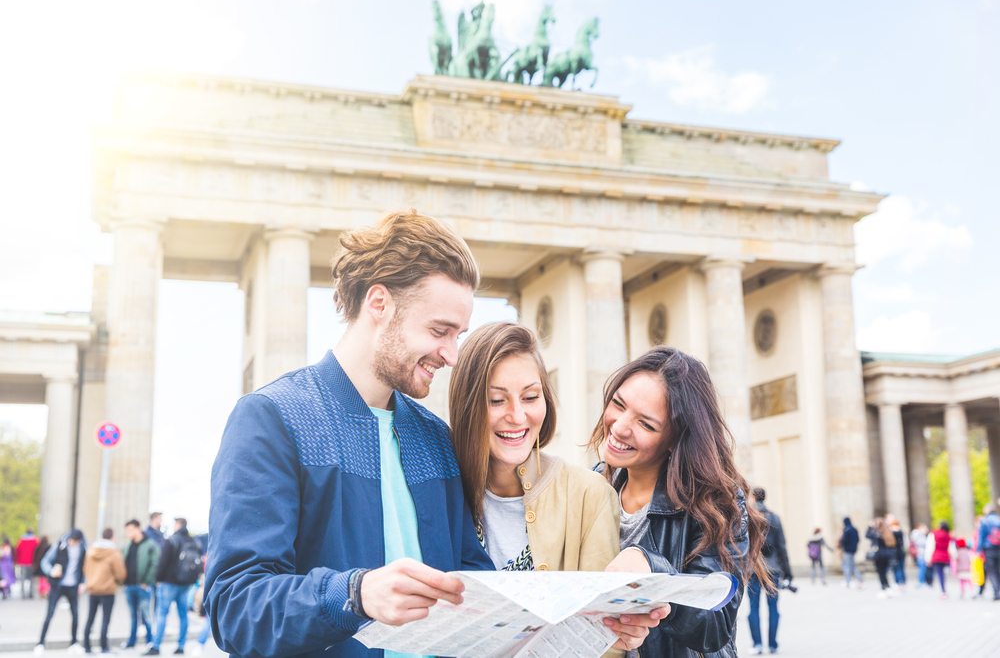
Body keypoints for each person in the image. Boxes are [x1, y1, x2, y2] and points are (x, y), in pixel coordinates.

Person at [206, 210, 664, 658]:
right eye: (439, 330)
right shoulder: (272, 420)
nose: (451, 355)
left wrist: (596, 624)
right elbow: (234, 607)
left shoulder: (434, 438)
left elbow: (477, 588)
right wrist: (356, 593)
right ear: (379, 303)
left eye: (458, 334)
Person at [589, 347, 771, 658]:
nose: (619, 426)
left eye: (646, 424)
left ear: (675, 440)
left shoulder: (715, 503)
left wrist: (653, 574)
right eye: (618, 404)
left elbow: (717, 623)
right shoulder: (594, 484)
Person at [448, 321, 620, 573]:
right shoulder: (440, 491)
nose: (517, 416)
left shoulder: (589, 495)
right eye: (496, 400)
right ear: (465, 405)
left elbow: (600, 609)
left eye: (530, 397)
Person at [146, 518, 203, 656]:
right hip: (186, 584)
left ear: (177, 525)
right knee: (183, 615)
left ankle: (156, 646)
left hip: (169, 583)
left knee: (162, 614)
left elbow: (163, 561)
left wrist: (158, 579)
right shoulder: (195, 542)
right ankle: (181, 646)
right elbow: (199, 563)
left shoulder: (172, 540)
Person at [743, 488, 789, 654]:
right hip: (773, 569)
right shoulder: (774, 517)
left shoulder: (747, 517)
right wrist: (788, 571)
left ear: (754, 498)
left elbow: (742, 545)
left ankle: (757, 645)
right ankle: (772, 644)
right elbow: (782, 546)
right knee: (773, 608)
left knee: (753, 608)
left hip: (753, 568)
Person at [36, 529, 87, 655]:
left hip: (73, 586)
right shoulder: (59, 546)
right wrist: (51, 571)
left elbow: (85, 567)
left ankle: (74, 643)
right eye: (70, 540)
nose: (72, 543)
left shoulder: (83, 549)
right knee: (49, 614)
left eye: (74, 541)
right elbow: (45, 561)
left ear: (79, 541)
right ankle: (40, 643)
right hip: (57, 585)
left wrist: (83, 582)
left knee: (75, 615)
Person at [82, 528, 126, 654]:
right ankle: (104, 647)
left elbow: (86, 569)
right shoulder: (114, 553)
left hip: (93, 589)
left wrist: (91, 581)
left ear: (101, 536)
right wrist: (116, 582)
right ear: (113, 537)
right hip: (107, 590)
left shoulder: (91, 551)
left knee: (90, 618)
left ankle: (87, 646)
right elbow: (119, 573)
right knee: (105, 619)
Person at [122, 519, 159, 650]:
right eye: (127, 531)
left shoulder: (150, 544)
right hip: (129, 586)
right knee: (133, 615)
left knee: (146, 614)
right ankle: (131, 641)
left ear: (138, 528)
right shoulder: (128, 546)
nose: (128, 533)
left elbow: (155, 564)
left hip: (143, 586)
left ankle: (150, 641)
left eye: (130, 530)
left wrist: (146, 582)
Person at [866, 517, 897, 598]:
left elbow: (867, 535)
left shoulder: (877, 533)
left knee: (881, 573)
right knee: (884, 573)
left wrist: (870, 527)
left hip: (879, 556)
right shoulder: (887, 532)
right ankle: (888, 587)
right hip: (887, 556)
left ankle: (884, 588)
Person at [977, 501, 1000, 600]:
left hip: (989, 548)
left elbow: (981, 536)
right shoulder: (998, 519)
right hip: (998, 547)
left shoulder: (985, 520)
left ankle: (996, 591)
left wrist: (979, 550)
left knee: (992, 570)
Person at [838, 517, 864, 589]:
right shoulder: (854, 529)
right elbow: (858, 539)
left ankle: (850, 582)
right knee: (851, 565)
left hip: (848, 550)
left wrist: (841, 539)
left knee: (849, 566)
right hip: (853, 549)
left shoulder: (846, 530)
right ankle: (855, 581)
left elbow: (844, 540)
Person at [930, 520, 952, 599]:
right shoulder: (948, 535)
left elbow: (930, 546)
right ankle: (943, 590)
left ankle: (943, 591)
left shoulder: (934, 534)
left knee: (939, 574)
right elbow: (951, 547)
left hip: (936, 556)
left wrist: (928, 558)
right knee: (942, 574)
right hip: (945, 557)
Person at [16, 528, 39, 599]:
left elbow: (18, 550)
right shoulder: (35, 540)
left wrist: (17, 561)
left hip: (23, 562)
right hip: (32, 562)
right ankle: (31, 593)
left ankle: (23, 593)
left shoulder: (21, 540)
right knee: (32, 578)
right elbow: (38, 552)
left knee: (22, 578)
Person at [887, 515, 907, 588]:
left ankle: (899, 582)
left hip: (895, 552)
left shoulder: (893, 533)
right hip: (901, 551)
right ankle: (903, 582)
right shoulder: (901, 532)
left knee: (897, 568)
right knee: (901, 568)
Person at [909, 523, 929, 588]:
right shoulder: (917, 533)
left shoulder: (920, 534)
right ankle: (921, 582)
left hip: (923, 553)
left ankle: (923, 582)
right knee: (922, 568)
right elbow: (921, 542)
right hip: (920, 553)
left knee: (923, 568)